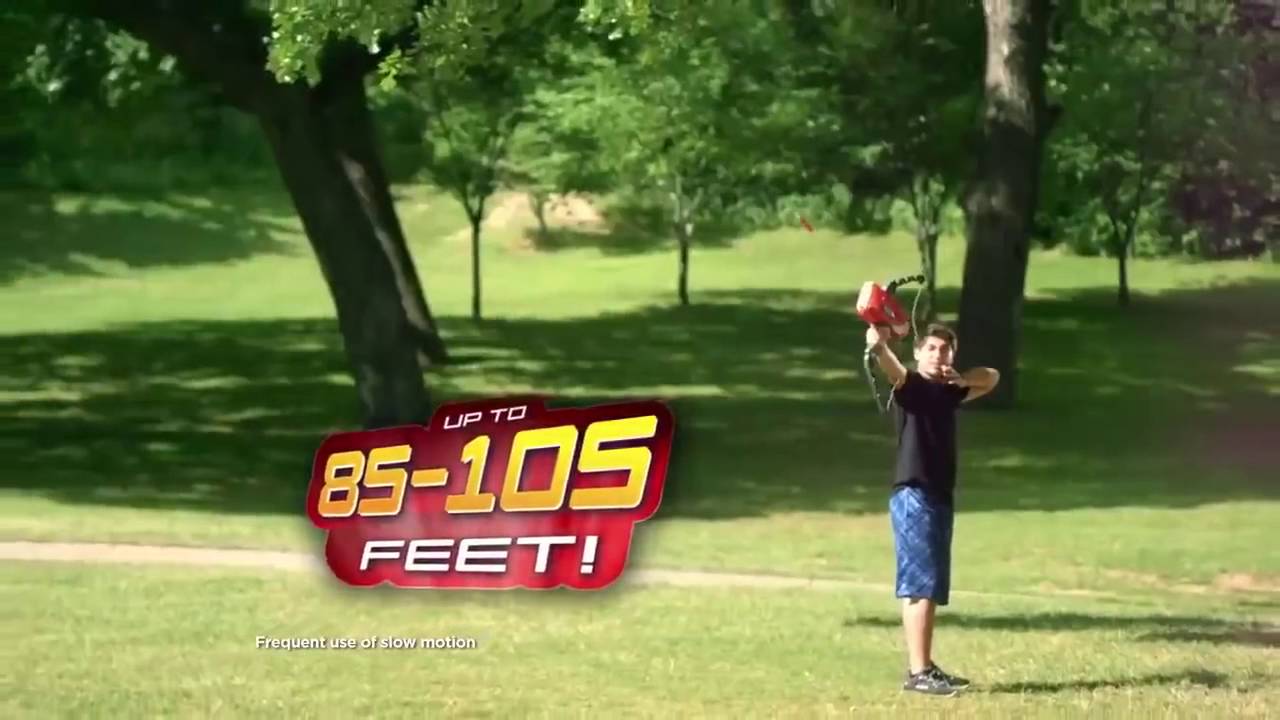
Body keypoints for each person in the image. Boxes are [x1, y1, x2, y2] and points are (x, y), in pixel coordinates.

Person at [865, 321, 1000, 696]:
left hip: (938, 496)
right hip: (914, 494)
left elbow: (991, 377)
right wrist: (880, 347)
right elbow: (893, 371)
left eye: (945, 349)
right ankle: (918, 672)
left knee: (931, 582)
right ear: (918, 353)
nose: (938, 355)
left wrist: (961, 379)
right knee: (920, 586)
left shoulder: (947, 391)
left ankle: (924, 665)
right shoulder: (912, 388)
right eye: (931, 349)